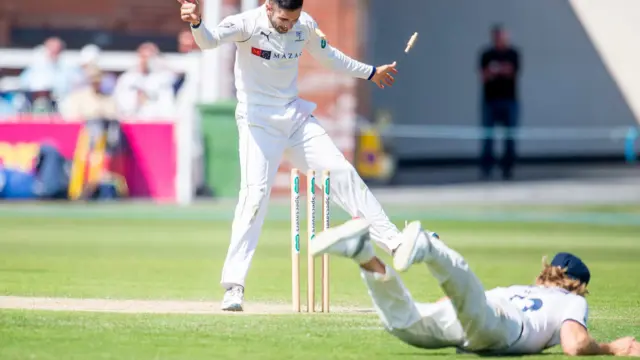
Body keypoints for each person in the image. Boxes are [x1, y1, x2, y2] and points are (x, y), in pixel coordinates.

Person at [177, 0, 403, 311]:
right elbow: (209, 42)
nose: (288, 25)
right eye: (284, 19)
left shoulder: (304, 25)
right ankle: (233, 286)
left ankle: (395, 243)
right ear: (269, 6)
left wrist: (371, 72)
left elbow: (330, 57)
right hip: (258, 122)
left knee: (342, 173)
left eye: (293, 19)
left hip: (295, 118)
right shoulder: (245, 23)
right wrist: (197, 23)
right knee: (254, 198)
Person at [310, 218, 640, 356]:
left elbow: (460, 299)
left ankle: (363, 254)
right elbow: (575, 345)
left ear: (545, 273)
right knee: (470, 301)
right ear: (578, 286)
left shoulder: (516, 288)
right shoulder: (571, 301)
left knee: (404, 323)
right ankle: (429, 247)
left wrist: (447, 313)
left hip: (473, 318)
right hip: (504, 329)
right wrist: (612, 348)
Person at [478, 24, 521, 180]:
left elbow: (512, 71)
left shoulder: (513, 53)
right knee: (488, 137)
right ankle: (487, 169)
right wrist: (493, 71)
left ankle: (508, 169)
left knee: (509, 137)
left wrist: (498, 70)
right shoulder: (486, 54)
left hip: (509, 101)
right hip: (490, 102)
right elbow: (483, 76)